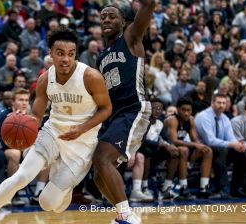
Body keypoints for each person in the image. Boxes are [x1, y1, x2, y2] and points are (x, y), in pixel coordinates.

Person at [0, 26, 112, 224]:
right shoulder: (45, 79)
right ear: (51, 54)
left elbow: (106, 109)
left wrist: (81, 128)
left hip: (82, 142)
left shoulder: (90, 77)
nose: (66, 59)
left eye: (71, 54)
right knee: (21, 176)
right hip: (53, 133)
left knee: (48, 203)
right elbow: (37, 117)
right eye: (60, 53)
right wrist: (25, 122)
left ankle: (65, 187)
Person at [93, 1, 154, 223]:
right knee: (98, 174)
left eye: (112, 16)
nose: (106, 20)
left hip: (133, 108)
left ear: (123, 22)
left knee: (102, 158)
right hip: (114, 115)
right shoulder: (100, 58)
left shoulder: (130, 38)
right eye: (103, 17)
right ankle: (124, 214)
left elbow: (149, 6)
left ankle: (126, 215)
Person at [195, 93, 245, 199]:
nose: (221, 105)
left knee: (243, 153)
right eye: (219, 103)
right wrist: (231, 144)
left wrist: (237, 145)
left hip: (218, 150)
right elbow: (210, 141)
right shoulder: (203, 116)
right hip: (200, 151)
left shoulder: (225, 118)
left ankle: (236, 189)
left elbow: (230, 137)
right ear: (212, 103)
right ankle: (221, 189)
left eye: (224, 103)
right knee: (222, 150)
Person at [164, 97, 213, 199]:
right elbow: (174, 141)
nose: (186, 113)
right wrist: (195, 145)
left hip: (183, 150)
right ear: (177, 109)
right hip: (166, 150)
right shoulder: (172, 120)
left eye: (189, 110)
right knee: (183, 150)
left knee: (207, 151)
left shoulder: (190, 120)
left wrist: (200, 146)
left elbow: (195, 140)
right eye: (183, 110)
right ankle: (183, 187)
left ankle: (203, 188)